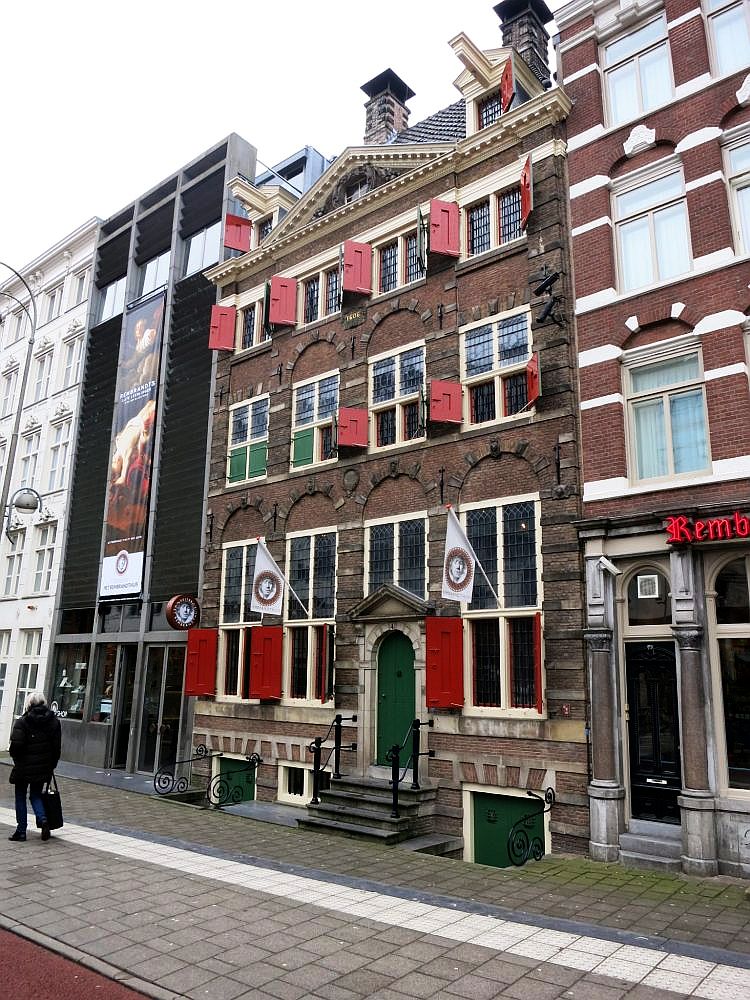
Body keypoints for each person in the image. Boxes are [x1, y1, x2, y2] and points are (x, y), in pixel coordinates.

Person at [8, 691, 61, 842]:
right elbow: (56, 748)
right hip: (43, 767)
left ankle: (21, 831)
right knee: (36, 795)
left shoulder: (22, 722)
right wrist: (51, 765)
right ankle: (43, 819)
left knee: (20, 796)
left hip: (23, 767)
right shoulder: (54, 722)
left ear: (29, 704)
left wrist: (17, 761)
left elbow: (15, 747)